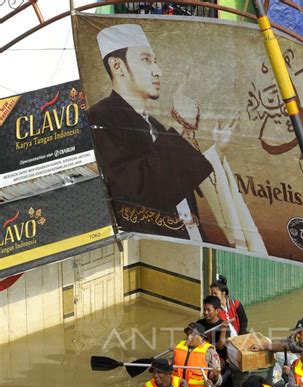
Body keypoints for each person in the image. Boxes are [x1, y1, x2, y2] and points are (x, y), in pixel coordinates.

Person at [89, 23, 267, 253]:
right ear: (117, 66)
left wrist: (217, 151)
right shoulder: (100, 118)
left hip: (190, 240)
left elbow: (179, 181)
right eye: (146, 60)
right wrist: (179, 126)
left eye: (155, 61)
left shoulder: (153, 124)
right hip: (155, 250)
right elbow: (139, 190)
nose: (158, 71)